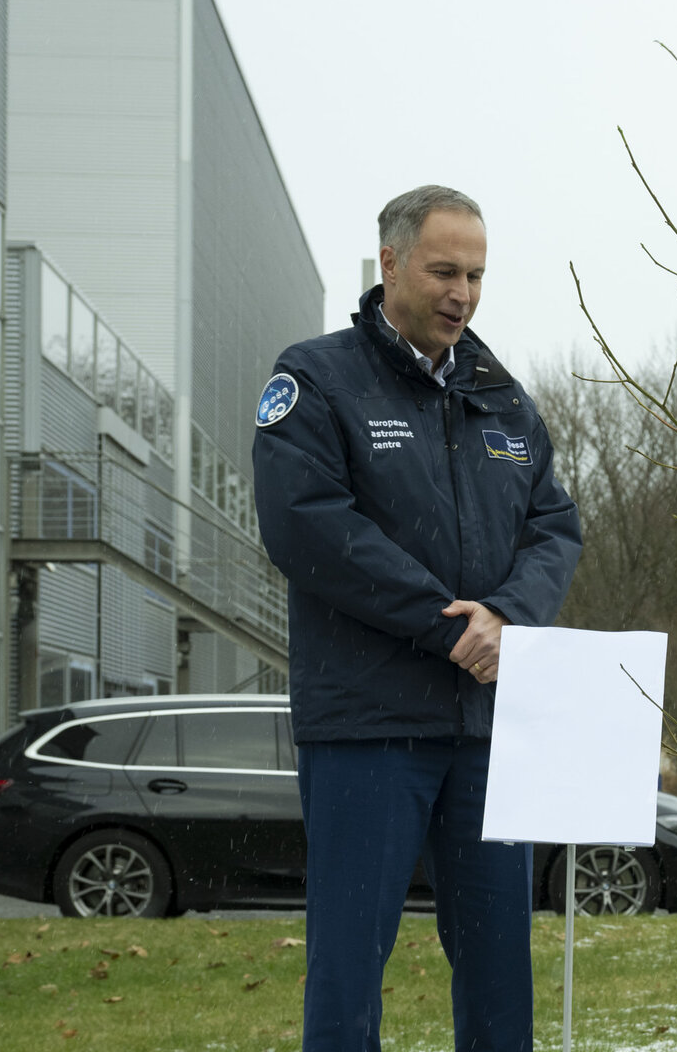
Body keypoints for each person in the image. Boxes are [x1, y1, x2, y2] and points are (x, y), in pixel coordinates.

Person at [253, 184, 582, 1052]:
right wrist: (450, 626)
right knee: (350, 973)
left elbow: (555, 525)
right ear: (390, 264)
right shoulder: (318, 379)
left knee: (500, 973)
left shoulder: (501, 395)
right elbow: (308, 526)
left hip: (485, 732)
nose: (462, 293)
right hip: (367, 730)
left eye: (476, 275)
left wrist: (507, 617)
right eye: (444, 271)